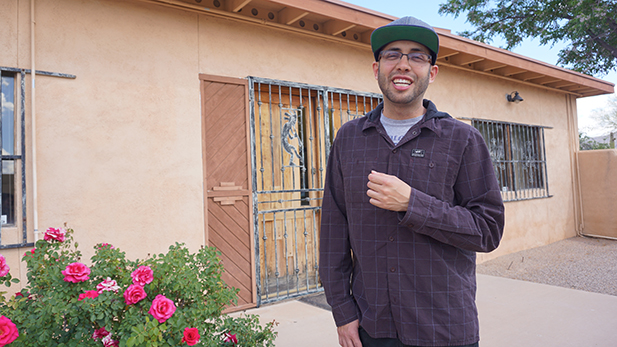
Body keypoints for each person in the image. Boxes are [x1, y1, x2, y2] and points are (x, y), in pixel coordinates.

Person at [319, 16, 505, 347]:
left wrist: (412, 203)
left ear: (431, 73)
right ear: (376, 68)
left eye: (416, 56)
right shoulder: (349, 138)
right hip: (372, 327)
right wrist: (342, 312)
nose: (403, 65)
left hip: (444, 327)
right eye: (392, 55)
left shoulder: (462, 139)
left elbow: (488, 230)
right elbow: (333, 232)